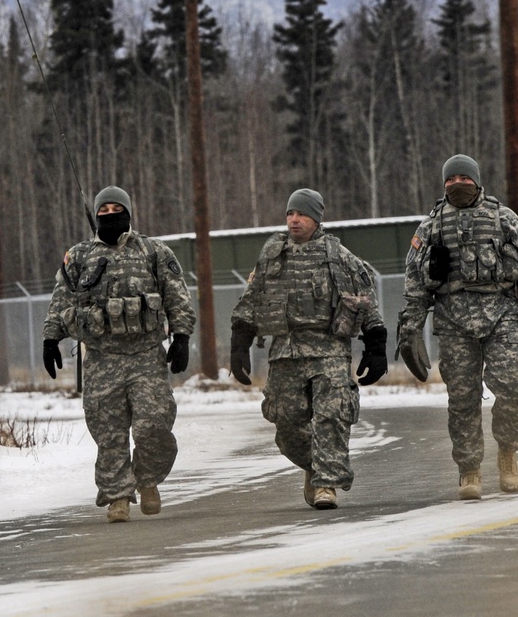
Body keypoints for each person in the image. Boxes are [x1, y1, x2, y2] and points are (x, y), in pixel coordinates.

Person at [397, 154, 518, 500]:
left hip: (501, 318)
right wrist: (410, 329)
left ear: (477, 180)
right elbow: (415, 285)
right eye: (450, 180)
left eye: (463, 178)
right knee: (463, 400)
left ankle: (508, 453)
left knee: (513, 389)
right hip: (454, 324)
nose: (456, 184)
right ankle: (469, 470)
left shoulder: (505, 221)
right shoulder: (431, 227)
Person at [42, 185, 196, 522]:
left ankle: (148, 478)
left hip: (145, 357)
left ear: (128, 212)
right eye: (104, 210)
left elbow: (177, 297)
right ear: (95, 215)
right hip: (101, 358)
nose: (110, 215)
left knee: (153, 426)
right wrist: (51, 337)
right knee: (108, 433)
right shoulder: (80, 256)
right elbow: (62, 299)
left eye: (116, 209)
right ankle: (118, 498)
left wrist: (181, 336)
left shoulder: (153, 252)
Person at [229, 188, 388, 510]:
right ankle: (316, 467)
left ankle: (326, 484)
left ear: (316, 218)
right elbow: (253, 297)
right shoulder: (273, 256)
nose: (294, 220)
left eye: (301, 214)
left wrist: (376, 341)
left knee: (332, 416)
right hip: (286, 350)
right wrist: (240, 341)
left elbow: (365, 298)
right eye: (290, 214)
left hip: (329, 349)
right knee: (286, 422)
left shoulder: (339, 256)